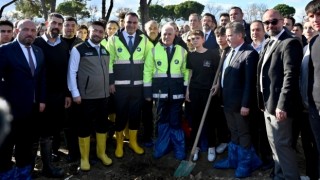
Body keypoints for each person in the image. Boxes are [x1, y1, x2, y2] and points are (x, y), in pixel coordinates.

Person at [257, 9, 303, 179]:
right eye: (267, 22)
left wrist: (282, 105)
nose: (270, 25)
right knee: (274, 144)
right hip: (267, 104)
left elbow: (290, 76)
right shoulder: (269, 42)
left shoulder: (290, 42)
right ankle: (279, 175)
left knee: (282, 145)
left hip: (279, 106)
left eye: (274, 21)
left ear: (283, 21)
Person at [213, 22, 261, 178]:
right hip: (227, 102)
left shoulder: (249, 53)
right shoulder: (228, 52)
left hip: (241, 105)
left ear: (240, 35)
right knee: (233, 132)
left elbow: (249, 83)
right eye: (226, 35)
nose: (226, 38)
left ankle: (245, 164)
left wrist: (246, 104)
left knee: (244, 133)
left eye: (229, 35)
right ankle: (233, 159)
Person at [0, 19, 46, 179]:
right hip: (9, 110)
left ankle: (23, 172)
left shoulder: (39, 51)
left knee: (25, 144)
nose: (30, 33)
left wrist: (41, 100)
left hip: (31, 109)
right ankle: (5, 173)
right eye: (25, 29)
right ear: (16, 31)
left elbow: (41, 78)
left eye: (33, 30)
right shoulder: (5, 50)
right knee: (6, 145)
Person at [68, 21, 112, 171]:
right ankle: (84, 158)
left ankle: (101, 153)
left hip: (103, 96)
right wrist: (75, 93)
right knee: (84, 127)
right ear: (89, 32)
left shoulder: (105, 50)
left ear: (104, 34)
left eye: (101, 31)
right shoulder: (78, 49)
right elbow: (71, 72)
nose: (97, 34)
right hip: (85, 97)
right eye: (95, 31)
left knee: (102, 125)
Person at [107, 12, 153, 158]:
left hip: (138, 87)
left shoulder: (144, 40)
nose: (131, 25)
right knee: (120, 115)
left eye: (134, 22)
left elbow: (150, 62)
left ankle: (133, 142)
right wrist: (110, 81)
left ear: (137, 23)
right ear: (123, 23)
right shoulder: (113, 40)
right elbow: (108, 62)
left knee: (135, 116)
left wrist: (146, 86)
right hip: (120, 87)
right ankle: (119, 144)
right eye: (128, 22)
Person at [144, 23, 188, 160]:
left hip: (177, 93)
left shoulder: (182, 50)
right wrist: (147, 92)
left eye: (170, 34)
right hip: (159, 93)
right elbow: (147, 71)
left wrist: (186, 90)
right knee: (161, 120)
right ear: (160, 34)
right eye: (164, 34)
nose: (167, 36)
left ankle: (178, 148)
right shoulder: (153, 51)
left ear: (175, 34)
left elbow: (186, 72)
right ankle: (162, 146)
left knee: (175, 121)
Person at [33, 12, 69, 178]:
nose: (56, 27)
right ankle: (32, 168)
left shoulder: (64, 46)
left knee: (52, 131)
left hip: (59, 96)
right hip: (39, 96)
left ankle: (47, 165)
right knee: (37, 132)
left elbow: (68, 72)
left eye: (59, 24)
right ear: (47, 23)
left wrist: (67, 94)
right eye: (54, 23)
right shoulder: (36, 43)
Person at [185, 30, 220, 162]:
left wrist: (216, 85)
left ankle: (211, 146)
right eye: (192, 38)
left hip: (208, 92)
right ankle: (196, 147)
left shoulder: (212, 54)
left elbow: (218, 71)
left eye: (197, 38)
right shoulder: (191, 55)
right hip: (194, 91)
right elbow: (190, 73)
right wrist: (187, 90)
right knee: (195, 120)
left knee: (210, 119)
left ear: (203, 39)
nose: (195, 40)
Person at [249, 19, 274, 170]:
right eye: (252, 30)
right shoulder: (247, 48)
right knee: (252, 127)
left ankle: (267, 158)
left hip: (266, 96)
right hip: (251, 95)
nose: (255, 32)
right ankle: (255, 156)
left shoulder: (270, 46)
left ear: (264, 30)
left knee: (266, 130)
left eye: (258, 29)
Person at [299, 17, 319, 180]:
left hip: (315, 105)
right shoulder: (304, 48)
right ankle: (311, 174)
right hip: (304, 106)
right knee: (308, 143)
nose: (308, 30)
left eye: (310, 27)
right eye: (305, 27)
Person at [305, 0, 320, 178]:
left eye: (318, 14)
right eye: (311, 16)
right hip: (314, 106)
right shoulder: (314, 41)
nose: (315, 19)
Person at [141, 20, 160, 147]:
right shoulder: (141, 42)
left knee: (159, 111)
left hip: (160, 82)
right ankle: (147, 136)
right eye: (150, 28)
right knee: (146, 111)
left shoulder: (164, 41)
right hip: (145, 81)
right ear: (145, 29)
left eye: (155, 28)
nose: (152, 30)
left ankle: (159, 136)